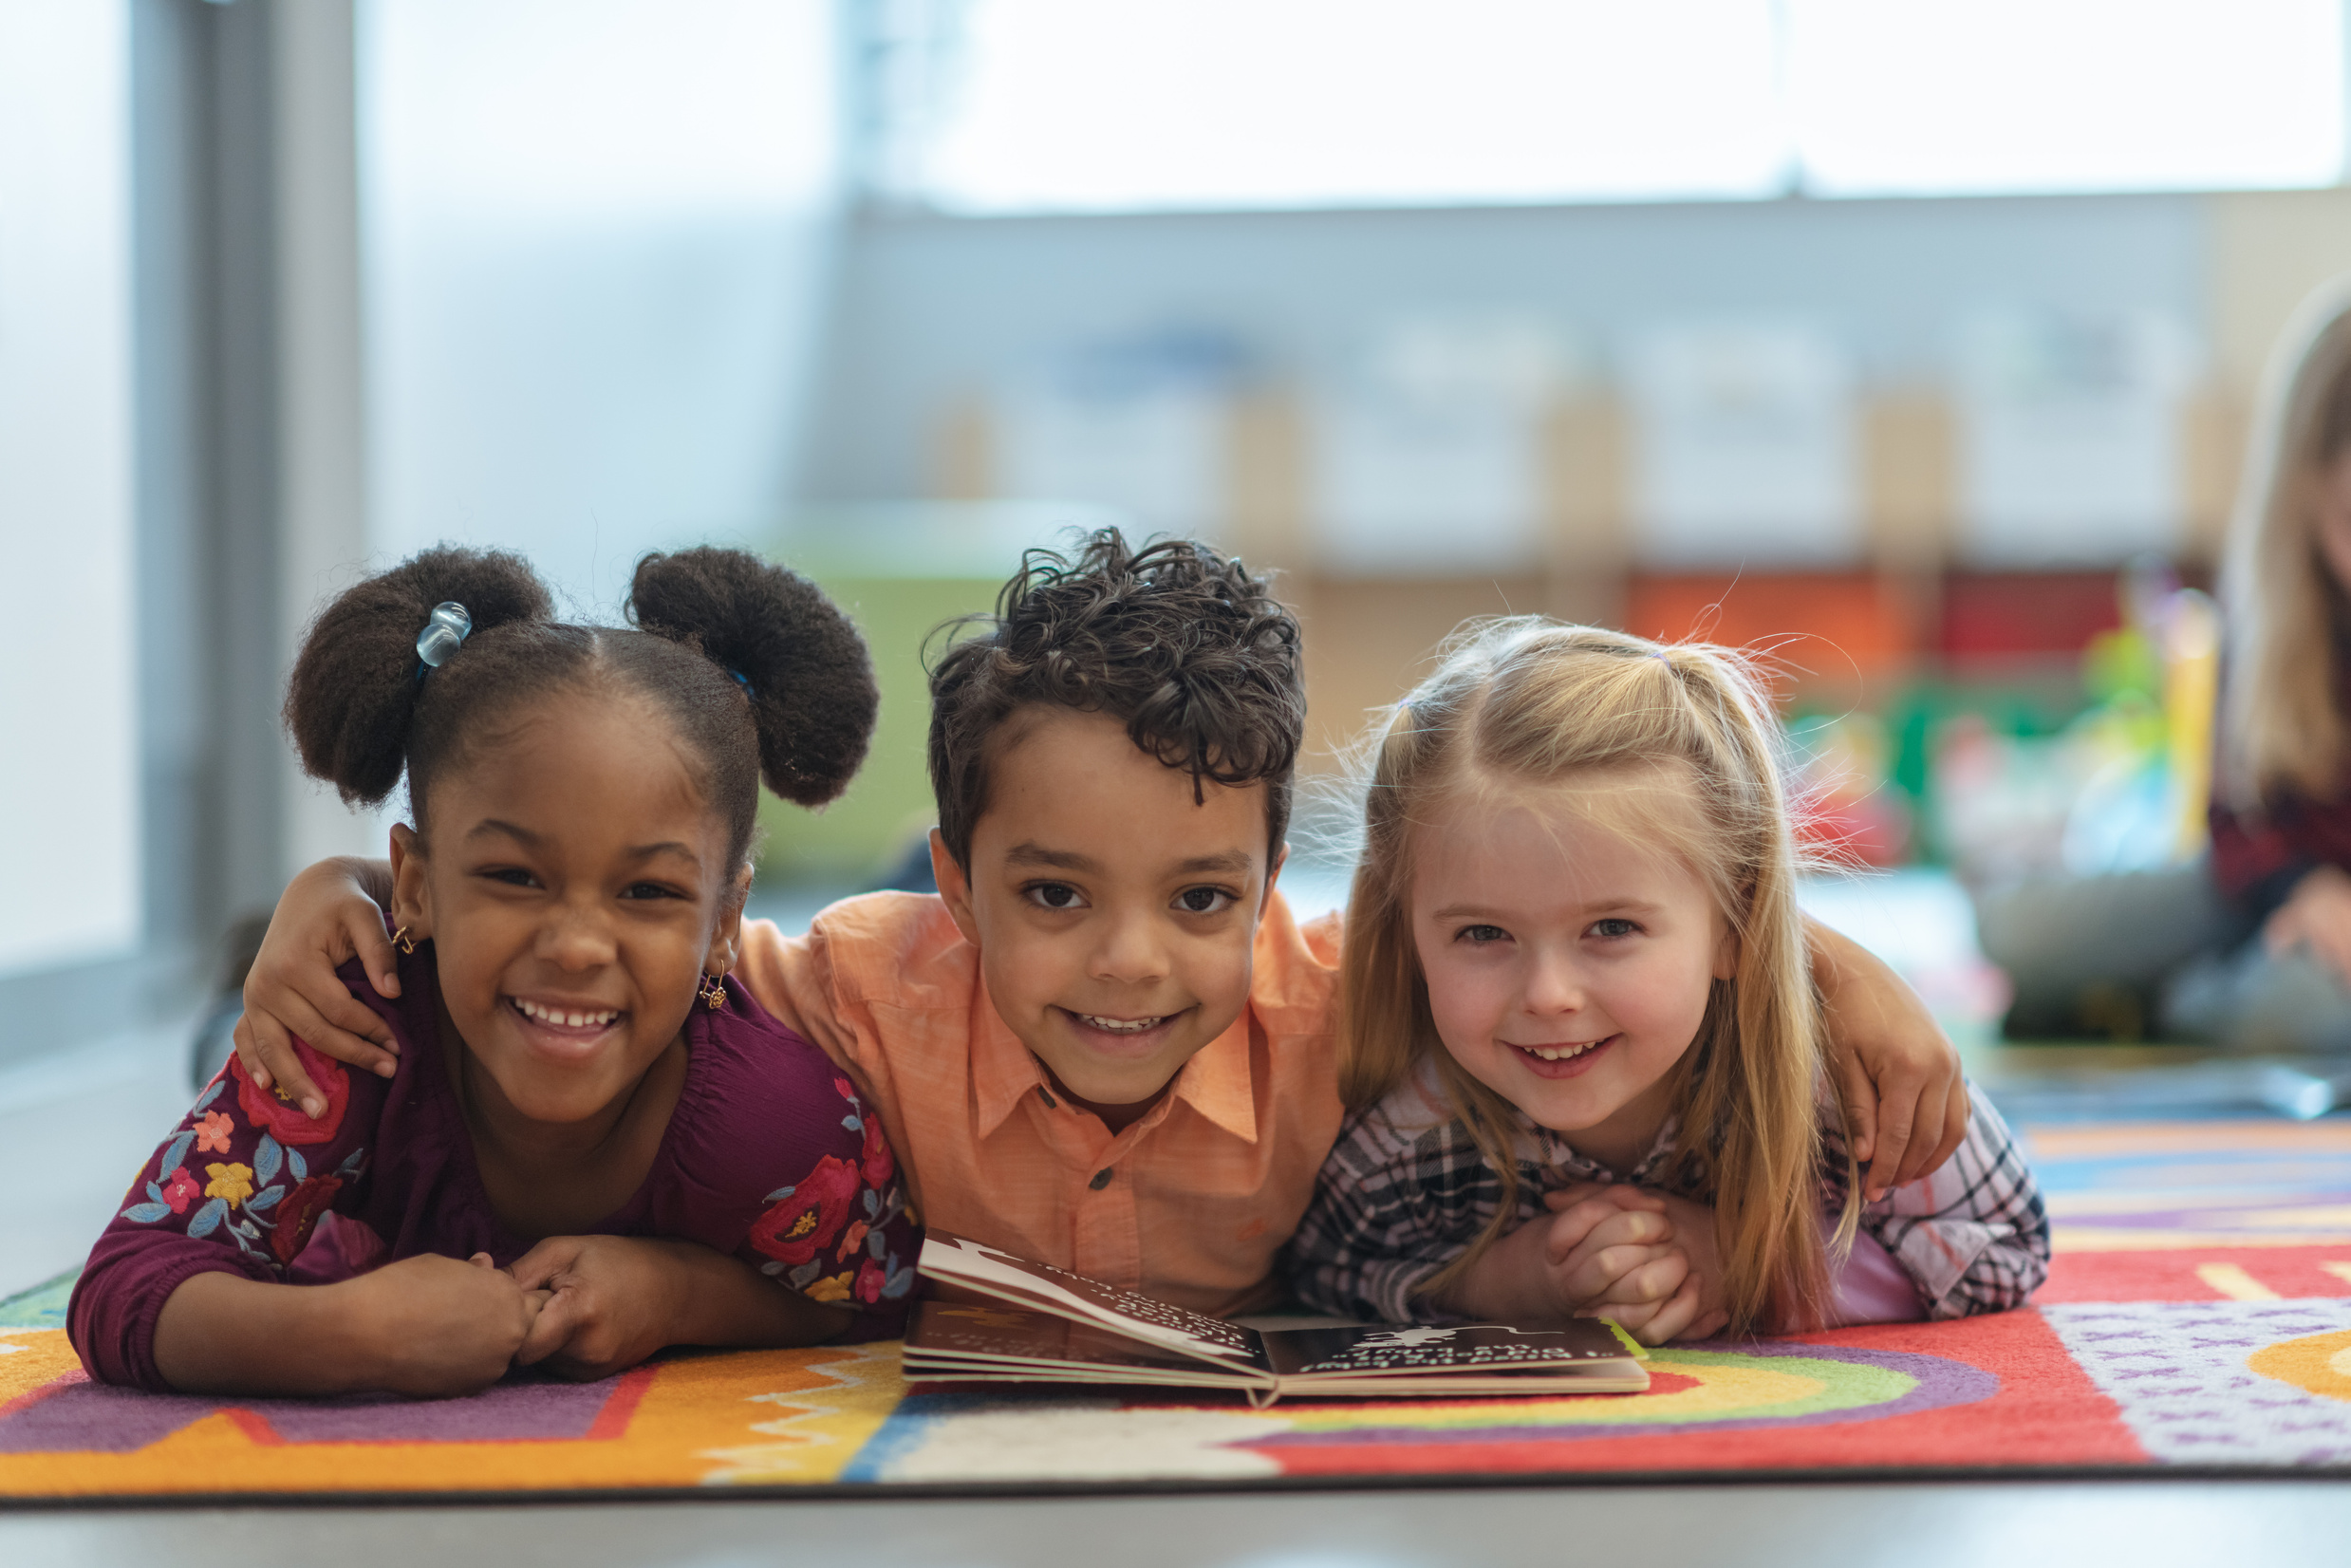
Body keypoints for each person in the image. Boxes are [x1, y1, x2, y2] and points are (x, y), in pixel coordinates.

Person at [230, 532, 1968, 1319]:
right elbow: (610, 941)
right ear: (953, 878)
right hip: (377, 1076)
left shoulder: (1351, 1009)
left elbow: (1576, 922)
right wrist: (329, 897)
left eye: (1202, 898)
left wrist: (1823, 959)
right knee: (323, 1074)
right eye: (1052, 896)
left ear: (1275, 884)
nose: (1130, 961)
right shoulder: (854, 985)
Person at [71, 546, 917, 1396]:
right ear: (413, 885)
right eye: (515, 877)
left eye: (649, 891)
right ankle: (245, 981)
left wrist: (675, 1295)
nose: (578, 947)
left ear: (724, 926)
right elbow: (126, 1281)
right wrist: (340, 1334)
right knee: (245, 1036)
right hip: (350, 1049)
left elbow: (874, 1292)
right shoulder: (349, 1032)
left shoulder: (777, 1121)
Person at [1286, 622, 2047, 1341]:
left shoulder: (1844, 1082)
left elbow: (2006, 1243)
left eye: (1611, 929)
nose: (1548, 994)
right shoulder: (1411, 1124)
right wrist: (1498, 1286)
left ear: (1733, 924)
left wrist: (1762, 1272)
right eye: (1482, 935)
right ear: (1406, 933)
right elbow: (1321, 1270)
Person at [1980, 274, 2351, 1057]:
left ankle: (2155, 1001)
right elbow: (2236, 818)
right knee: (2014, 930)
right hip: (2252, 888)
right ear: (2307, 502)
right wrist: (2305, 893)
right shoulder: (2271, 625)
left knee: (2291, 1020)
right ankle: (2138, 983)